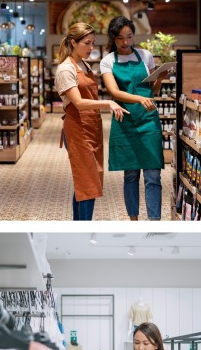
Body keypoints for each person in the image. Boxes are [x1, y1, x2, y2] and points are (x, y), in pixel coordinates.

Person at [54, 22, 129, 221]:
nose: (91, 48)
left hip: (92, 127)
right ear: (73, 42)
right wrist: (108, 103)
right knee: (88, 183)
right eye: (87, 43)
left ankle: (77, 226)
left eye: (93, 43)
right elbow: (78, 103)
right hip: (78, 129)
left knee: (87, 182)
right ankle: (83, 229)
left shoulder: (84, 65)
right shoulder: (65, 69)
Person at [101, 16, 167, 221]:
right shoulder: (108, 61)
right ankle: (134, 220)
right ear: (114, 38)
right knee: (130, 175)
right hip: (126, 122)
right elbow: (114, 92)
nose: (126, 42)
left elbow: (151, 91)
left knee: (153, 176)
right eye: (121, 38)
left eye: (129, 37)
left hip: (148, 121)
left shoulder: (145, 56)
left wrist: (160, 80)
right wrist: (139, 98)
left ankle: (154, 222)